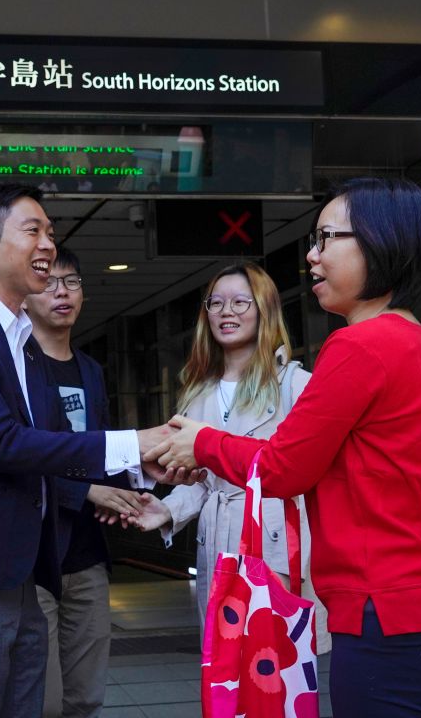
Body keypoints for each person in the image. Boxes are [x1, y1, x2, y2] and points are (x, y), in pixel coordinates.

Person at [148, 178, 421, 717]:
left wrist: (204, 442)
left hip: (394, 626)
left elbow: (284, 468)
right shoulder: (416, 339)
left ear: (381, 242)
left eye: (326, 238)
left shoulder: (360, 343)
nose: (311, 255)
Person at [0, 183, 173, 718]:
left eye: (51, 233)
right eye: (33, 230)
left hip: (27, 571)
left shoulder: (25, 342)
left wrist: (136, 466)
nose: (49, 244)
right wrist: (130, 442)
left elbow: (49, 449)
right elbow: (4, 443)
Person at [127, 261, 328, 650]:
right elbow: (204, 478)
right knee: (224, 678)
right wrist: (168, 510)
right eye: (215, 303)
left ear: (265, 310)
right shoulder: (198, 392)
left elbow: (310, 470)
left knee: (274, 677)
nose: (226, 312)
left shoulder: (295, 385)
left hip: (273, 547)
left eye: (240, 302)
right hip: (217, 549)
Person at [23, 245, 150, 718]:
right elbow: (16, 457)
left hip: (89, 554)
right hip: (37, 557)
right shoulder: (18, 369)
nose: (61, 292)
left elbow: (98, 449)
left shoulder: (93, 371)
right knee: (46, 701)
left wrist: (134, 479)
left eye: (71, 281)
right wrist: (86, 490)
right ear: (25, 296)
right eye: (49, 281)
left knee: (86, 697)